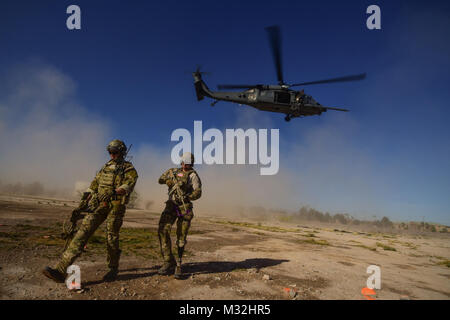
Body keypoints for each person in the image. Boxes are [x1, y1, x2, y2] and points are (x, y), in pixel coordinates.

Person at [42, 139, 138, 283]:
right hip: (98, 205)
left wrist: (114, 191)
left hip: (116, 207)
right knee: (82, 233)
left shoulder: (128, 168)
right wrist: (85, 198)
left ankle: (113, 269)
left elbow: (128, 185)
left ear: (122, 152)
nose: (112, 155)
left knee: (111, 238)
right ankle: (61, 270)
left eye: (115, 152)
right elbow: (95, 183)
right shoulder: (106, 167)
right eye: (110, 152)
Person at [157, 152, 202, 279]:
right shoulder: (172, 172)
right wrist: (168, 182)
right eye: (184, 163)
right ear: (181, 162)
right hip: (171, 205)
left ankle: (179, 264)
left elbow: (198, 192)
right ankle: (168, 261)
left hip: (184, 207)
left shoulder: (193, 175)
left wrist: (188, 196)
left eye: (188, 163)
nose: (186, 165)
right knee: (162, 230)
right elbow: (160, 179)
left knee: (181, 238)